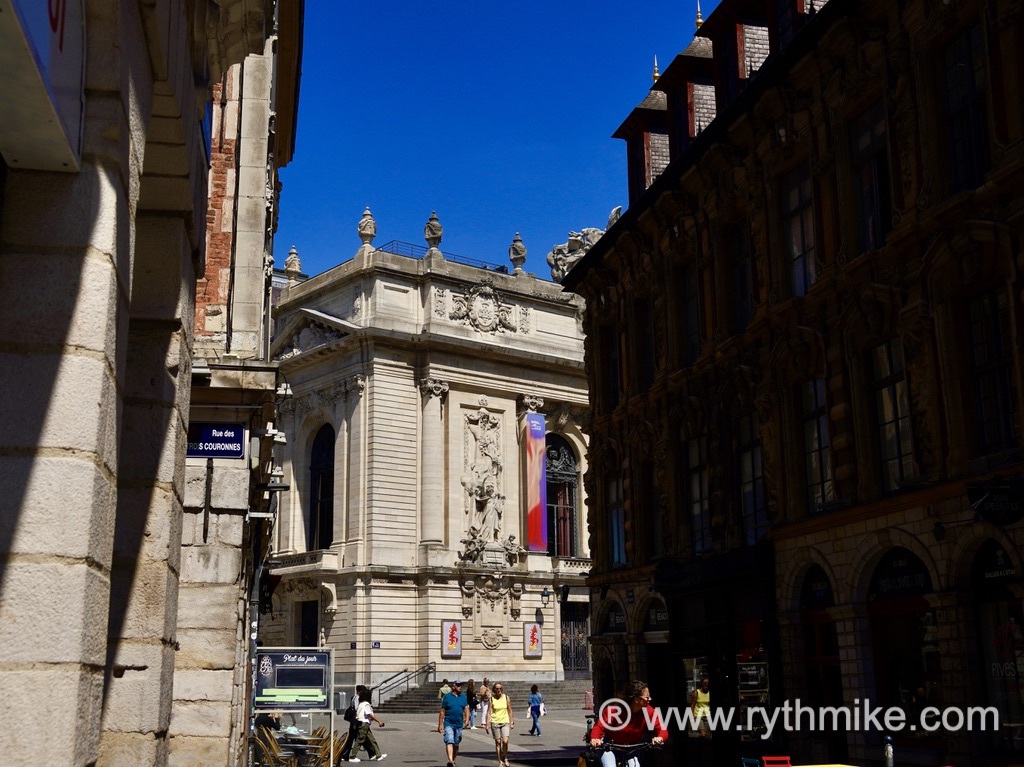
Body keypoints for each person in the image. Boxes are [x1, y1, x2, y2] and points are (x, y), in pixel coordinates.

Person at [589, 680, 667, 767]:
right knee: (609, 765)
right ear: (637, 699)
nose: (650, 699)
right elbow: (599, 727)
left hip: (632, 747)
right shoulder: (614, 710)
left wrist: (660, 738)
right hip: (609, 746)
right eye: (647, 697)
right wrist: (595, 739)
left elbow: (662, 729)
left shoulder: (649, 711)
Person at [349, 687, 386, 762]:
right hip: (364, 724)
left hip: (362, 723)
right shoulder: (366, 704)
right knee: (360, 740)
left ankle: (378, 755)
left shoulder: (361, 704)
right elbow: (369, 714)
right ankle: (352, 756)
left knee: (372, 740)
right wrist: (379, 721)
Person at [438, 678, 470, 767]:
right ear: (454, 686)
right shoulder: (447, 697)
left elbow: (466, 709)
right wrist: (440, 724)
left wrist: (467, 720)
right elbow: (442, 711)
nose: (460, 687)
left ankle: (453, 760)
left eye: (461, 685)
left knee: (456, 742)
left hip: (459, 724)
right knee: (449, 740)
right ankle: (450, 760)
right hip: (448, 723)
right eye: (458, 685)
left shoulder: (463, 697)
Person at [484, 681, 515, 767]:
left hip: (505, 721)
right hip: (495, 722)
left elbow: (510, 710)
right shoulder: (491, 699)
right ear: (494, 689)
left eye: (500, 688)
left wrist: (512, 722)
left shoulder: (506, 698)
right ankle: (500, 761)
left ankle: (505, 758)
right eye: (497, 688)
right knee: (498, 742)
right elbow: (489, 712)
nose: (499, 690)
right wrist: (487, 724)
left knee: (505, 741)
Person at [339, 685, 368, 761]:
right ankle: (348, 755)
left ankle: (346, 754)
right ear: (359, 692)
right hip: (355, 720)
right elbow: (356, 709)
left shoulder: (353, 697)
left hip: (354, 720)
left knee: (353, 738)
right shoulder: (357, 698)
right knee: (353, 738)